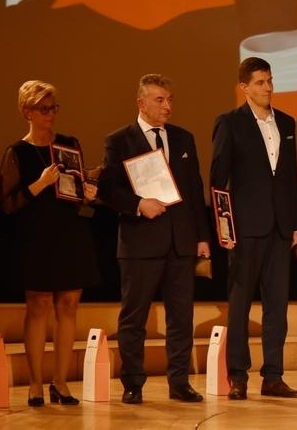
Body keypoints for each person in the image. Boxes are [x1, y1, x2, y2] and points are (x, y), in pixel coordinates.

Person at [99, 74, 211, 404]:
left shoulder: (183, 138)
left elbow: (195, 191)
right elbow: (108, 189)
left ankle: (180, 382)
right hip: (140, 243)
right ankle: (133, 383)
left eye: (170, 99)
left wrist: (202, 237)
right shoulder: (119, 140)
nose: (167, 106)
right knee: (134, 317)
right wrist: (138, 204)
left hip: (181, 242)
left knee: (182, 317)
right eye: (160, 100)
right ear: (141, 103)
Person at [0, 80, 100, 406]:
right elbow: (8, 203)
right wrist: (41, 183)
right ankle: (35, 384)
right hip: (36, 237)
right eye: (43, 108)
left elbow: (76, 190)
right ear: (26, 111)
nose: (50, 114)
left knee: (69, 305)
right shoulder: (17, 152)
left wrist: (88, 193)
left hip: (70, 233)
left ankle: (61, 382)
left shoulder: (69, 144)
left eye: (53, 107)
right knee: (39, 306)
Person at [210, 56, 297, 400]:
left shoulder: (287, 122)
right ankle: (238, 375)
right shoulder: (229, 123)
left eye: (270, 80)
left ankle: (273, 376)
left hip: (280, 227)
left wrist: (296, 224)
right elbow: (218, 180)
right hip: (245, 226)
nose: (268, 87)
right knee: (240, 304)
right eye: (260, 82)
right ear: (244, 87)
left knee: (277, 305)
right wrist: (224, 227)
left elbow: (290, 177)